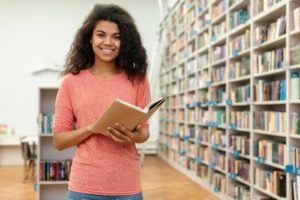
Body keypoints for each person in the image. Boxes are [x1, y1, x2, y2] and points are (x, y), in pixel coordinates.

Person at [53, 4, 151, 200]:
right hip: (84, 186)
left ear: (126, 42)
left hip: (127, 186)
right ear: (90, 38)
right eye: (101, 35)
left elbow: (144, 133)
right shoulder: (71, 82)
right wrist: (92, 129)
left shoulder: (138, 80)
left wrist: (131, 137)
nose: (108, 42)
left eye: (117, 37)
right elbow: (59, 141)